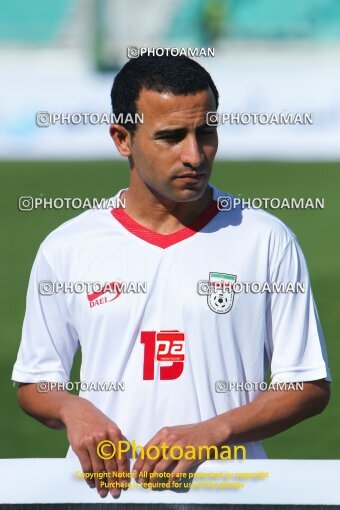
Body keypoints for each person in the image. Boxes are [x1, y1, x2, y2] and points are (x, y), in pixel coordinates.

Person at [13, 55, 330, 499]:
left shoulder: (266, 239)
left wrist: (214, 431)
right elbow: (36, 382)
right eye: (171, 137)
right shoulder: (68, 247)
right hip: (105, 495)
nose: (194, 155)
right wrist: (72, 408)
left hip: (233, 493)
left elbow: (307, 386)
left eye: (206, 133)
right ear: (122, 139)